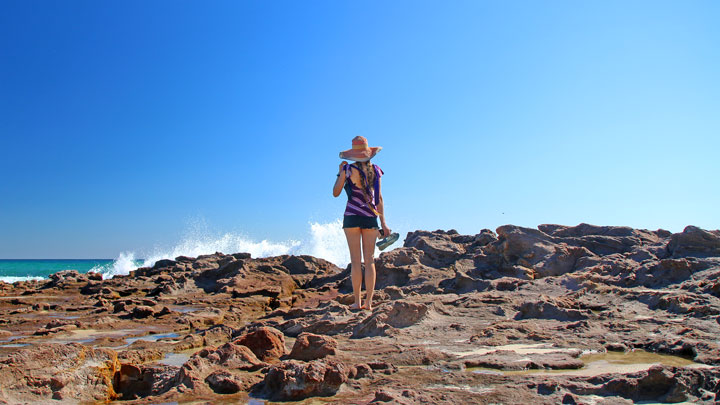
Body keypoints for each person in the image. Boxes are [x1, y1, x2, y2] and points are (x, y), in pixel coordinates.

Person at [333, 136, 391, 311]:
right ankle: (369, 303)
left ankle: (357, 302)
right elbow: (378, 198)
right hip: (370, 217)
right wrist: (384, 223)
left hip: (351, 217)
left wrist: (340, 173)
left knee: (355, 261)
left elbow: (336, 192)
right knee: (370, 260)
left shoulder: (348, 169)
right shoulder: (376, 170)